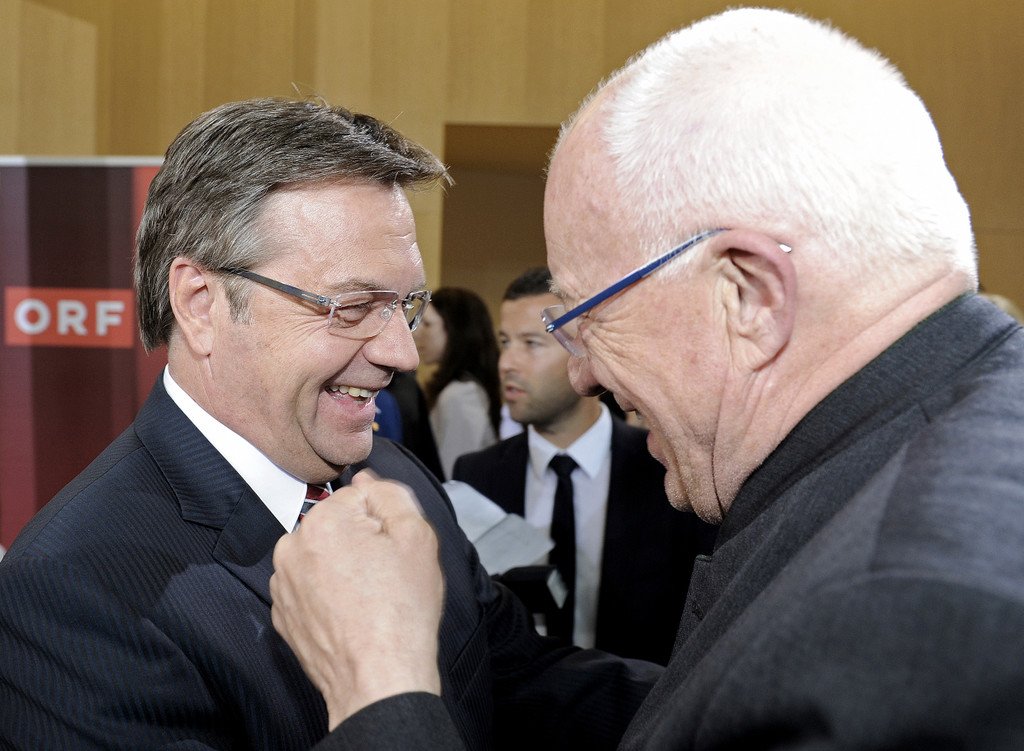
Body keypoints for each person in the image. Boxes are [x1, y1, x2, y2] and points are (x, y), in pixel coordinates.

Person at [270, 7, 1024, 749]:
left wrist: (381, 692)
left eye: (589, 315)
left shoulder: (908, 619)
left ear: (749, 296)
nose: (582, 373)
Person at [0, 98, 658, 750]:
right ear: (200, 304)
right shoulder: (68, 594)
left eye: (405, 304)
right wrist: (382, 695)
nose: (401, 353)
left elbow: (523, 679)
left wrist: (717, 697)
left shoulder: (394, 477)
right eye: (353, 306)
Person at [454, 267, 715, 663]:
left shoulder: (666, 468)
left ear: (583, 347)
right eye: (504, 342)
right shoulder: (476, 475)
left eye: (531, 343)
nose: (507, 362)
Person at [415, 287, 502, 477]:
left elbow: (454, 475)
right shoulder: (462, 389)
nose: (416, 333)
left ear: (455, 329)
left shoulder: (461, 394)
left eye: (427, 324)